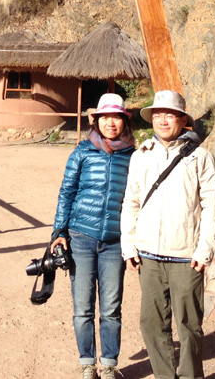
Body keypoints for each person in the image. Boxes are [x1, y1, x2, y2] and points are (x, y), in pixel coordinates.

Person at [121, 90, 215, 379]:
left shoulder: (201, 157)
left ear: (182, 119)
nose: (163, 120)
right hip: (149, 255)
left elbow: (212, 204)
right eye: (158, 115)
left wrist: (205, 249)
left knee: (189, 325)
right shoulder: (141, 156)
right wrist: (129, 245)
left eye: (169, 115)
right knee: (152, 323)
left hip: (185, 256)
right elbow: (131, 202)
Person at [51, 93, 136, 379]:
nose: (111, 123)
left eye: (116, 118)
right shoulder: (82, 152)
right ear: (96, 121)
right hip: (81, 238)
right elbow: (67, 192)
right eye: (105, 117)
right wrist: (59, 231)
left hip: (114, 242)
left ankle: (109, 364)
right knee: (82, 308)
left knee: (111, 308)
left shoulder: (134, 156)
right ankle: (87, 364)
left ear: (124, 121)